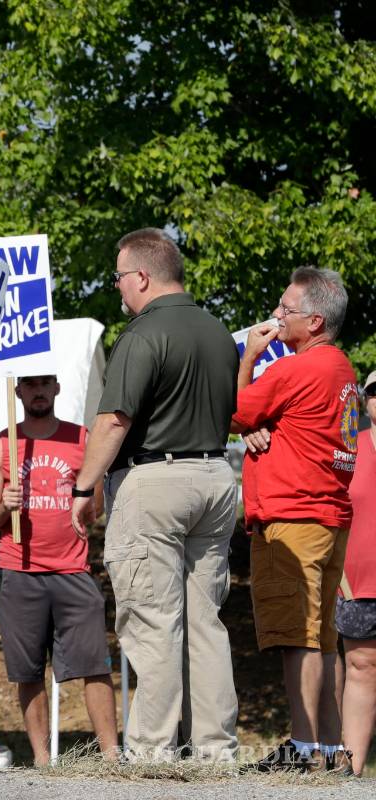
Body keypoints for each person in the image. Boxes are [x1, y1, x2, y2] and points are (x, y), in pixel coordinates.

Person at [71, 228, 239, 762]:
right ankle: (216, 751)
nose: (119, 289)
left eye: (120, 278)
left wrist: (82, 486)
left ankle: (151, 751)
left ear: (142, 276)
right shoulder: (216, 331)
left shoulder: (142, 334)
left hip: (155, 482)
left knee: (152, 622)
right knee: (206, 623)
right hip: (216, 476)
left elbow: (114, 420)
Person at [231, 267, 359, 771]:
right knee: (321, 638)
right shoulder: (342, 369)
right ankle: (327, 747)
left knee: (296, 637)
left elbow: (236, 411)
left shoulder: (295, 369)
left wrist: (249, 360)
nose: (276, 316)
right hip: (327, 517)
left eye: (286, 308)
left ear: (315, 320)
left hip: (293, 516)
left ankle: (303, 747)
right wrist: (261, 425)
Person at [0, 375, 117, 766]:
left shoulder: (82, 439)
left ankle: (111, 756)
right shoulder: (0, 446)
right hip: (18, 570)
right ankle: (42, 758)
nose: (38, 390)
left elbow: (96, 508)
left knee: (95, 665)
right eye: (29, 384)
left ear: (58, 387)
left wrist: (87, 503)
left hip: (72, 569)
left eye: (45, 383)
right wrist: (3, 505)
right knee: (28, 671)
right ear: (18, 391)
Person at [335, 370, 376, 777]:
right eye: (374, 390)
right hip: (357, 584)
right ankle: (353, 771)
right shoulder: (349, 448)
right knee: (361, 670)